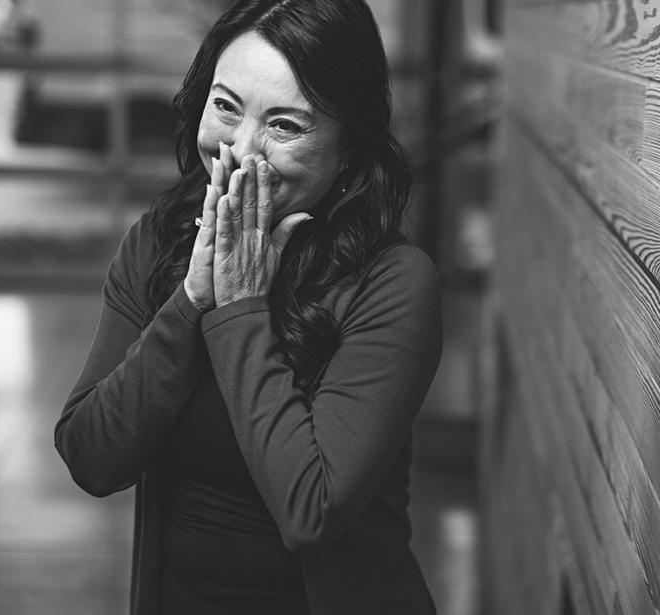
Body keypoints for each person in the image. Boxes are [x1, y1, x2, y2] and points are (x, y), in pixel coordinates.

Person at [53, 1, 443, 613]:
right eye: (226, 106)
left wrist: (240, 306)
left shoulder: (393, 283)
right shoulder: (162, 239)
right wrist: (190, 303)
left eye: (285, 125)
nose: (239, 150)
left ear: (349, 149)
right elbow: (91, 458)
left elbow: (309, 512)